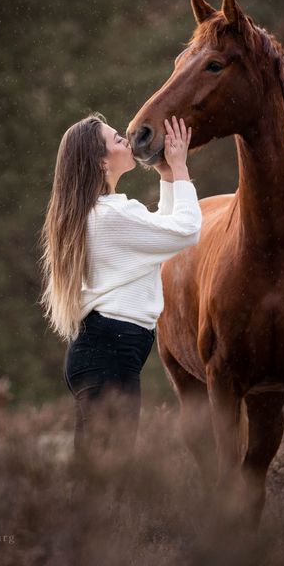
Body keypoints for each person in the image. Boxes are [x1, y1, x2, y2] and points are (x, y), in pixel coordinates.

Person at [39, 113, 202, 463]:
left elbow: (163, 231)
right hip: (108, 355)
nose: (127, 142)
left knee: (101, 478)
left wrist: (168, 176)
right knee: (106, 480)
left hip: (104, 353)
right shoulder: (110, 217)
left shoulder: (108, 212)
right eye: (117, 140)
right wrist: (180, 166)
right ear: (101, 161)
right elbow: (186, 231)